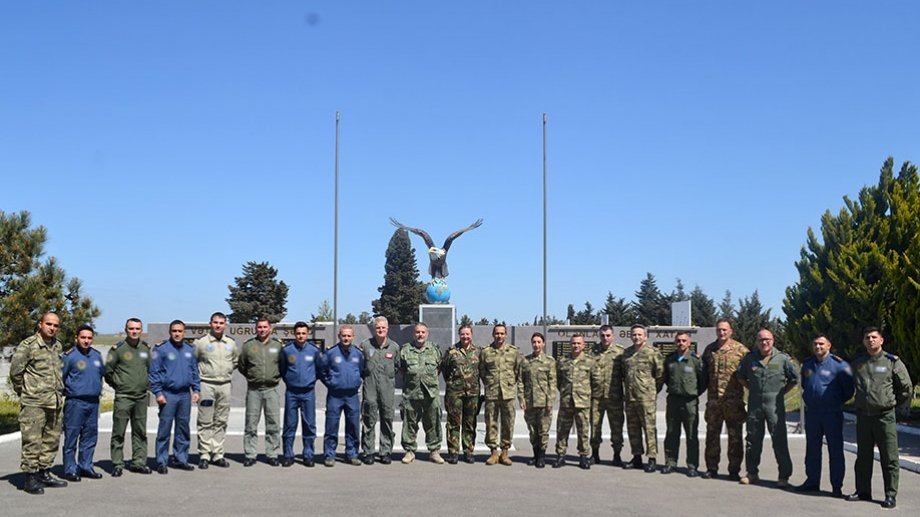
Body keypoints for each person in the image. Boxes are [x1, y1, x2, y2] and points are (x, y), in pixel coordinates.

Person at [846, 327, 913, 509]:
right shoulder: (858, 363)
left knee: (889, 458)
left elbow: (906, 388)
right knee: (863, 457)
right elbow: (849, 385)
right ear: (863, 341)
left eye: (874, 337)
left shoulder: (892, 362)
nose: (870, 340)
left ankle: (890, 494)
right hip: (864, 417)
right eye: (867, 338)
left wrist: (891, 404)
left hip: (884, 417)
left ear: (881, 340)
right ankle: (862, 491)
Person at [9, 312, 69, 494]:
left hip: (55, 401)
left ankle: (45, 472)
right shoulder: (29, 345)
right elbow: (15, 373)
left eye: (55, 325)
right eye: (49, 324)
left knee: (51, 440)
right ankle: (30, 477)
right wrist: (26, 391)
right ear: (40, 324)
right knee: (32, 441)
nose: (52, 328)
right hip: (34, 403)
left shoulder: (57, 346)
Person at [735, 329, 797, 487]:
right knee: (752, 439)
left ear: (773, 340)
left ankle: (784, 476)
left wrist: (780, 394)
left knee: (779, 440)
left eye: (767, 339)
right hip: (755, 405)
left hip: (775, 406)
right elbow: (740, 376)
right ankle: (752, 473)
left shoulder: (782, 359)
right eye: (761, 340)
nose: (764, 342)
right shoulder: (750, 359)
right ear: (756, 341)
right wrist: (752, 389)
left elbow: (793, 379)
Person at [797, 334, 854, 497]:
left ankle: (836, 485)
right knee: (812, 449)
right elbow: (804, 384)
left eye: (821, 344)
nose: (818, 347)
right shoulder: (807, 364)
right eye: (815, 344)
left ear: (829, 345)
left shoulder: (840, 365)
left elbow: (848, 390)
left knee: (835, 450)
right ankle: (812, 481)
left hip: (831, 413)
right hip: (813, 413)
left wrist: (834, 401)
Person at [149, 320, 201, 474]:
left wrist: (196, 390)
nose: (177, 334)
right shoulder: (161, 349)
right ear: (170, 332)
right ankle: (161, 461)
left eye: (180, 331)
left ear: (184, 333)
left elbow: (194, 371)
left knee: (183, 429)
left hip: (185, 395)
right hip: (168, 395)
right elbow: (154, 372)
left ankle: (181, 459)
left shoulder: (190, 350)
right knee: (164, 430)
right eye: (174, 331)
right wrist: (158, 393)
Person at [700, 318, 749, 480]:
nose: (721, 333)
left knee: (735, 437)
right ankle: (711, 467)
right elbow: (703, 373)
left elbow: (750, 372)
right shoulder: (710, 350)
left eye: (724, 330)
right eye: (719, 330)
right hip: (714, 402)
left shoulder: (741, 350)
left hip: (733, 402)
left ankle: (734, 470)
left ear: (731, 331)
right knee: (712, 436)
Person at [105, 317, 151, 477]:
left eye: (137, 329)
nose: (134, 331)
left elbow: (149, 370)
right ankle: (117, 463)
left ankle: (139, 462)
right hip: (124, 396)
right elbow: (108, 372)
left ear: (141, 330)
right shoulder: (117, 349)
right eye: (131, 328)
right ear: (126, 330)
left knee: (140, 432)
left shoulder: (146, 349)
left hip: (140, 397)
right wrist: (119, 385)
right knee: (119, 431)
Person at [193, 311, 238, 469]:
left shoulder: (230, 343)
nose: (218, 325)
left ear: (225, 325)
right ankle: (204, 454)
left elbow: (235, 361)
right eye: (215, 322)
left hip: (225, 385)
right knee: (205, 420)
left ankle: (217, 454)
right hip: (207, 385)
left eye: (221, 323)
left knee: (221, 420)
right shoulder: (201, 343)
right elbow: (193, 361)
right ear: (210, 323)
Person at [237, 318, 284, 466]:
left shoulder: (277, 346)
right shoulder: (248, 346)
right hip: (254, 390)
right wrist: (253, 377)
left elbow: (283, 365)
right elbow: (242, 365)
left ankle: (272, 453)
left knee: (273, 424)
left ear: (270, 329)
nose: (262, 330)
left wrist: (274, 377)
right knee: (251, 423)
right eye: (259, 327)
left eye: (265, 327)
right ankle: (250, 454)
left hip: (272, 389)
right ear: (255, 329)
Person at [61, 324, 105, 481]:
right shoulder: (69, 356)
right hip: (75, 402)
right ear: (76, 338)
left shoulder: (97, 356)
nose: (86, 341)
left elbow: (101, 375)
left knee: (90, 436)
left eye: (89, 338)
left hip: (93, 403)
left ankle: (86, 466)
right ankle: (70, 469)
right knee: (72, 436)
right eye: (83, 337)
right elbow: (62, 378)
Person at [319, 325, 365, 467]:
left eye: (348, 336)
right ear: (339, 336)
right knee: (331, 425)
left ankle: (351, 454)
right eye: (343, 336)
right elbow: (322, 370)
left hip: (352, 395)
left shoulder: (358, 354)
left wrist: (357, 382)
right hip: (335, 395)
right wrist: (331, 383)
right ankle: (329, 455)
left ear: (353, 337)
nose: (346, 338)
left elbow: (362, 371)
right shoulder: (331, 353)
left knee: (353, 426)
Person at [621, 324, 664, 472]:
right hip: (630, 398)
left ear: (645, 336)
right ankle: (637, 457)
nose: (636, 337)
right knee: (633, 429)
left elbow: (660, 376)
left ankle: (652, 458)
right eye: (634, 335)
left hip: (646, 399)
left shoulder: (653, 353)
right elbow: (623, 374)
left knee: (649, 429)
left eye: (639, 334)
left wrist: (650, 391)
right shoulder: (626, 354)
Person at [662, 331, 706, 477]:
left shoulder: (695, 360)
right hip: (673, 400)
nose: (681, 343)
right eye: (678, 341)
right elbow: (667, 378)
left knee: (692, 434)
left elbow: (703, 381)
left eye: (684, 341)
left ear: (689, 343)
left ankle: (692, 466)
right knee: (671, 433)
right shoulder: (670, 359)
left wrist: (693, 392)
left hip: (690, 402)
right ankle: (670, 462)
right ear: (675, 343)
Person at [479, 324, 524, 466]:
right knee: (490, 422)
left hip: (508, 394)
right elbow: (482, 371)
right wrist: (489, 383)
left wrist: (511, 385)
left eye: (502, 333)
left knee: (508, 423)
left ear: (506, 335)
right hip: (492, 393)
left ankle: (505, 452)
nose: (499, 336)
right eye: (497, 333)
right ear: (493, 334)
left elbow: (518, 372)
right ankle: (493, 452)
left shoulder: (514, 352)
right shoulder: (486, 352)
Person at [399, 323, 444, 464]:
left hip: (430, 394)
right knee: (409, 423)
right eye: (417, 332)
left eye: (423, 332)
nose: (420, 335)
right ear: (414, 334)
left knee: (433, 422)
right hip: (412, 393)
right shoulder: (405, 350)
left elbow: (440, 367)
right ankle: (409, 451)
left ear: (427, 333)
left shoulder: (435, 350)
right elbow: (402, 369)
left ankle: (434, 451)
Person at [359, 316, 400, 465]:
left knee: (387, 419)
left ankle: (385, 451)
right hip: (370, 388)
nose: (380, 330)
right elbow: (360, 367)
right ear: (374, 328)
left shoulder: (394, 347)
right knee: (369, 420)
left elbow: (396, 366)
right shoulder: (365, 346)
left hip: (387, 390)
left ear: (387, 329)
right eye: (378, 328)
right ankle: (369, 451)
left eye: (383, 328)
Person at [279, 321, 321, 467]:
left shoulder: (314, 351)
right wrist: (291, 381)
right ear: (294, 334)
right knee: (290, 424)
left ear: (307, 333)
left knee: (309, 424)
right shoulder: (287, 350)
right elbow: (283, 370)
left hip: (308, 392)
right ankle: (288, 455)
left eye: (303, 333)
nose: (301, 336)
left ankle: (308, 455)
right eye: (298, 333)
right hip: (292, 392)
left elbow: (319, 370)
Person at [441, 324, 482, 464]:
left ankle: (468, 451)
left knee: (470, 423)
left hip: (472, 394)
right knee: (453, 423)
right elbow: (445, 370)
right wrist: (454, 384)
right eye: (463, 334)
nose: (465, 337)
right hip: (454, 394)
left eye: (468, 334)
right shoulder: (452, 352)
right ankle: (453, 452)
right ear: (459, 335)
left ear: (472, 335)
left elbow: (481, 371)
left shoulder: (478, 352)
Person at [554, 334, 594, 470]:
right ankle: (560, 456)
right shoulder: (562, 361)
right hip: (566, 402)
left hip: (582, 402)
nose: (576, 346)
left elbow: (595, 381)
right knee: (562, 430)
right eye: (573, 343)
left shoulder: (590, 361)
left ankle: (583, 457)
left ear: (583, 345)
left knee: (583, 430)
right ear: (570, 345)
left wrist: (586, 394)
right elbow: (558, 381)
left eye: (578, 343)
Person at [589, 324, 625, 465]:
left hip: (614, 397)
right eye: (603, 335)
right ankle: (595, 454)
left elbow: (626, 374)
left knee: (616, 427)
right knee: (595, 427)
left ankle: (617, 455)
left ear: (613, 336)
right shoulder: (592, 352)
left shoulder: (620, 353)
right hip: (596, 397)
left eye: (608, 335)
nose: (605, 338)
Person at [522, 332, 555, 468]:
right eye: (534, 342)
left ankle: (542, 456)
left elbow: (552, 383)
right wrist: (521, 398)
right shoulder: (525, 361)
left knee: (543, 431)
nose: (536, 345)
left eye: (539, 342)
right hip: (529, 402)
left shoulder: (549, 361)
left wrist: (550, 401)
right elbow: (520, 381)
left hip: (543, 402)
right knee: (532, 431)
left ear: (543, 344)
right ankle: (535, 455)